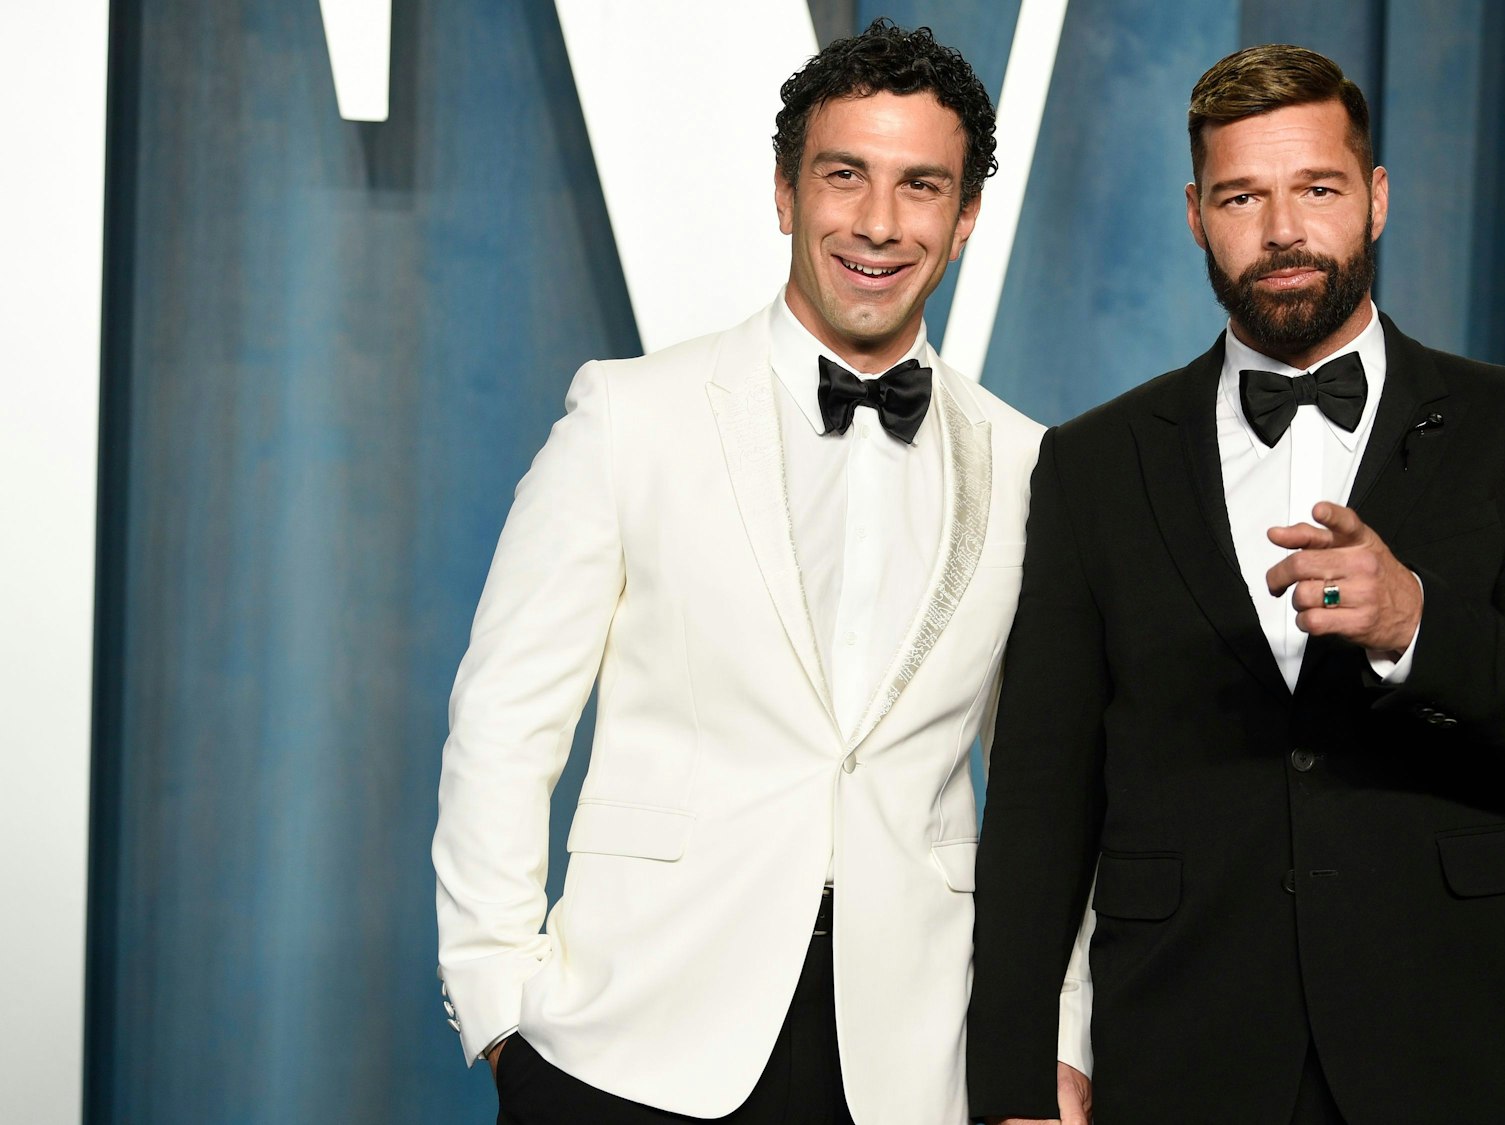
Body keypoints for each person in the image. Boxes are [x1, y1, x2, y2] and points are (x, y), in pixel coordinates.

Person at [433, 21, 1086, 1124]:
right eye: (845, 177)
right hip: (626, 1041)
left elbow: (1055, 792)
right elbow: (504, 720)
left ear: (963, 218)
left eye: (920, 186)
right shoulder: (627, 416)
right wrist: (501, 1006)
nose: (878, 224)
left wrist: (1056, 1038)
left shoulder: (1028, 465)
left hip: (911, 1058)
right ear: (785, 192)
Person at [967, 43, 1505, 1125]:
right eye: (1242, 196)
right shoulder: (1094, 460)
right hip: (1175, 1043)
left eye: (1315, 189)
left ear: (1372, 199)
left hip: (1437, 1038)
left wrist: (1416, 619)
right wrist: (1012, 1069)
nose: (1281, 230)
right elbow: (1042, 793)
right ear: (1194, 214)